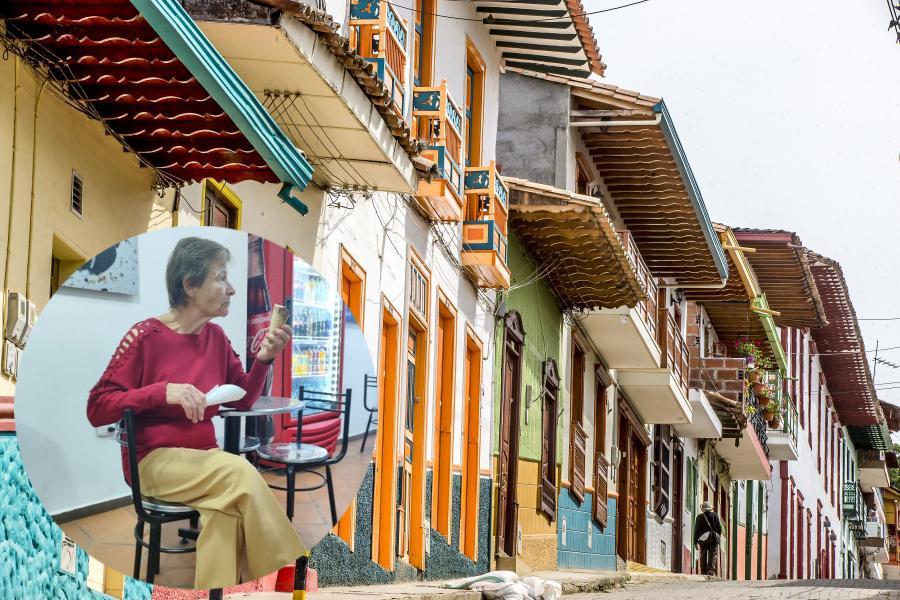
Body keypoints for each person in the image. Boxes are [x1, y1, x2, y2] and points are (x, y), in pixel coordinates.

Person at [86, 236, 305, 589]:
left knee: (225, 513)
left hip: (206, 461)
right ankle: (289, 582)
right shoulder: (145, 336)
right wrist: (163, 392)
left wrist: (264, 359)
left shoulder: (216, 338)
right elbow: (97, 408)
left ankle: (215, 593)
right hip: (154, 461)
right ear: (190, 285)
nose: (232, 289)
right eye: (221, 278)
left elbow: (243, 399)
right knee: (241, 474)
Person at [694, 500, 722, 578]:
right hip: (713, 538)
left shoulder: (699, 517)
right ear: (710, 508)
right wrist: (717, 536)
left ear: (703, 509)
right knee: (712, 555)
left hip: (702, 539)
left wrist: (695, 542)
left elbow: (696, 530)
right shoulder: (715, 515)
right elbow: (719, 528)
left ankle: (703, 572)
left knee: (703, 555)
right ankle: (710, 572)